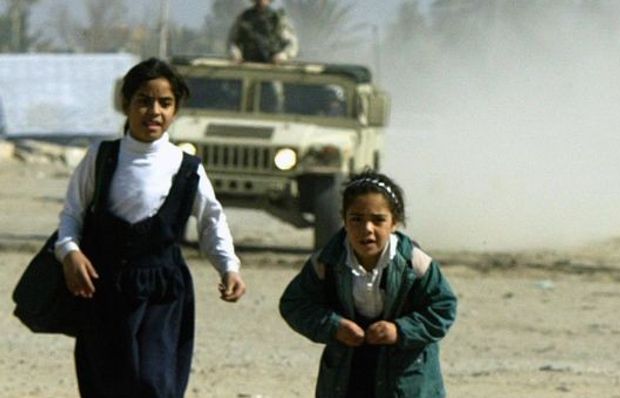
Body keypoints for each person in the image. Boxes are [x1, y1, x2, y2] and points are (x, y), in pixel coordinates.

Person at [56, 58, 247, 397]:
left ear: (176, 109)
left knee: (154, 384)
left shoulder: (186, 167)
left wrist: (228, 267)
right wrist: (70, 252)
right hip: (105, 291)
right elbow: (73, 214)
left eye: (165, 102)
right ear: (126, 104)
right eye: (144, 101)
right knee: (107, 385)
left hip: (163, 292)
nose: (154, 111)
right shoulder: (102, 157)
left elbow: (211, 221)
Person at [279, 171, 457, 398]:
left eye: (378, 220)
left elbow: (443, 307)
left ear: (394, 222)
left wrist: (400, 330)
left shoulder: (415, 264)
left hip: (406, 379)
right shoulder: (327, 263)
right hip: (347, 376)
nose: (367, 229)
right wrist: (334, 326)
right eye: (357, 219)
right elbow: (294, 304)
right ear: (344, 220)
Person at [228, 0, 299, 64]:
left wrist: (284, 55)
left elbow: (292, 43)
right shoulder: (244, 18)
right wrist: (235, 53)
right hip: (249, 66)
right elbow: (232, 41)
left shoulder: (277, 18)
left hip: (273, 67)